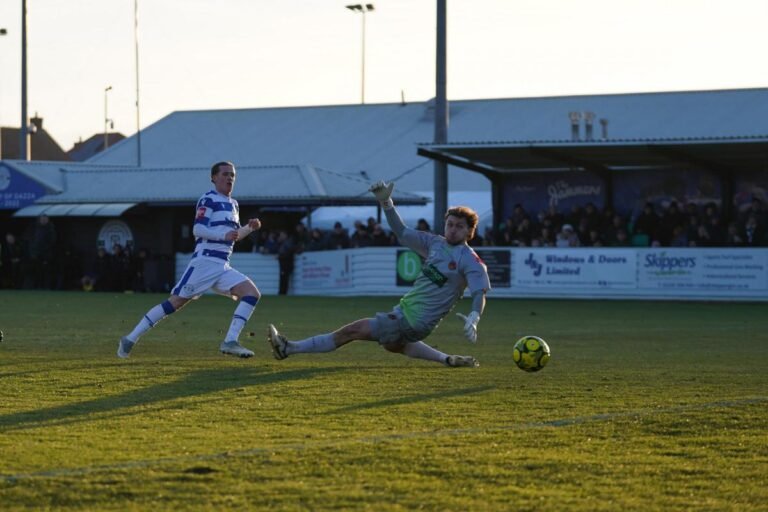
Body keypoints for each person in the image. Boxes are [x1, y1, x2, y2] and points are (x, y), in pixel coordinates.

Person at [267, 180, 491, 368]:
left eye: (459, 226)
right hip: (408, 316)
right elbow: (402, 231)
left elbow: (480, 292)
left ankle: (288, 348)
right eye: (450, 224)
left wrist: (474, 317)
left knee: (351, 331)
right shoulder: (435, 243)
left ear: (470, 232)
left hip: (412, 320)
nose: (452, 229)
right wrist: (386, 202)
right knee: (394, 345)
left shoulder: (470, 260)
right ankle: (447, 359)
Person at [118, 161, 263, 359]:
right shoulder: (208, 199)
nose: (230, 178)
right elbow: (198, 229)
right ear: (213, 178)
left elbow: (234, 235)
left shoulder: (233, 204)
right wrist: (224, 236)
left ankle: (230, 341)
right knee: (175, 303)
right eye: (225, 174)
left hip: (222, 265)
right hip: (205, 262)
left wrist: (249, 228)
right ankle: (130, 338)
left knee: (252, 293)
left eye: (233, 175)